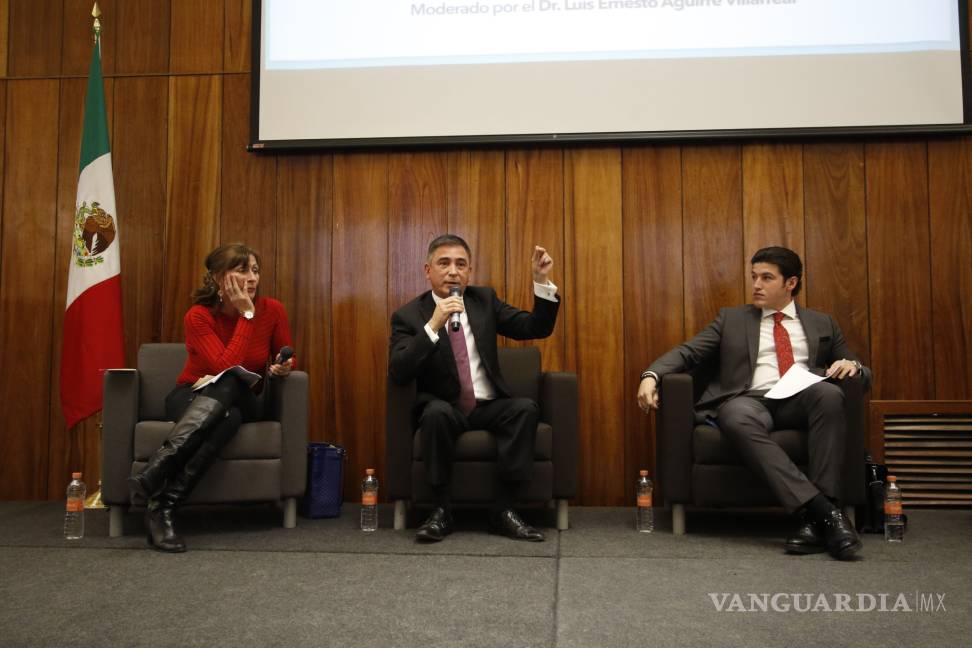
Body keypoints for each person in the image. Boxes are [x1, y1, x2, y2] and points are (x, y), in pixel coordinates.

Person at [637, 246, 869, 560]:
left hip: (801, 397)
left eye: (766, 278)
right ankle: (824, 513)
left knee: (830, 395)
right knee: (734, 416)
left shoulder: (822, 323)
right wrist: (651, 375)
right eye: (754, 277)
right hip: (750, 400)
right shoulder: (731, 319)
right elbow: (687, 352)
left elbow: (857, 367)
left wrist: (855, 368)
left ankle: (818, 512)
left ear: (791, 283)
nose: (756, 285)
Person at [389, 234, 559, 542]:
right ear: (428, 270)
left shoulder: (484, 301)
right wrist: (433, 325)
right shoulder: (408, 315)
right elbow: (400, 371)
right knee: (436, 413)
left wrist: (541, 282)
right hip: (445, 407)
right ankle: (441, 510)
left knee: (524, 409)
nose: (453, 271)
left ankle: (504, 510)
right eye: (444, 263)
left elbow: (535, 327)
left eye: (460, 264)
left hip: (487, 406)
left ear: (469, 272)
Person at [129, 243, 295, 552]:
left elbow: (274, 355)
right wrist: (246, 315)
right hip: (192, 394)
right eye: (242, 269)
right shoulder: (198, 316)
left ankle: (158, 468)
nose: (252, 278)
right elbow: (222, 365)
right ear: (220, 278)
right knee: (227, 415)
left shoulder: (273, 310)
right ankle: (164, 508)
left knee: (233, 382)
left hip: (247, 395)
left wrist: (283, 366)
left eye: (255, 270)